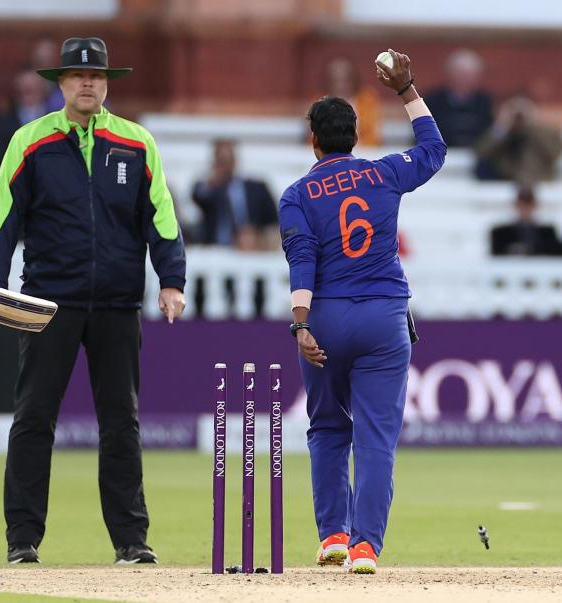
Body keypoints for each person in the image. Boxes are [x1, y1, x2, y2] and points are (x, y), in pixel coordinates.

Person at [0, 37, 186, 565]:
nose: (87, 83)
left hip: (117, 304)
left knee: (122, 423)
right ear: (61, 83)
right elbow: (1, 223)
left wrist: (172, 279)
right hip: (48, 303)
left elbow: (160, 216)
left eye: (95, 76)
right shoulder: (30, 141)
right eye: (76, 76)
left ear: (107, 82)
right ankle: (22, 540)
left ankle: (131, 542)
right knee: (33, 419)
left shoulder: (137, 142)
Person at [278, 49, 446, 574]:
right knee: (376, 437)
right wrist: (406, 89)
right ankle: (364, 547)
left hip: (325, 318)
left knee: (327, 427)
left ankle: (331, 534)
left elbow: (301, 260)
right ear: (356, 136)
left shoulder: (297, 194)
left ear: (313, 139)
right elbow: (435, 150)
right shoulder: (384, 174)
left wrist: (301, 324)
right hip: (382, 319)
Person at [191, 138, 278, 250]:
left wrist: (256, 234)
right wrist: (213, 181)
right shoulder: (209, 189)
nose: (225, 165)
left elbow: (273, 222)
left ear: (235, 159)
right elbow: (197, 196)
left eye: (228, 159)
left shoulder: (258, 188)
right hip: (215, 251)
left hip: (251, 250)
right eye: (221, 160)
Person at [474, 95, 562, 184]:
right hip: (506, 182)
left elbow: (556, 152)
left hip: (540, 181)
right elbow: (481, 152)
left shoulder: (546, 132)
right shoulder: (501, 132)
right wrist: (503, 127)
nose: (519, 118)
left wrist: (533, 126)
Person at [425, 49, 493, 147]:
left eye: (470, 75)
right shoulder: (433, 100)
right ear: (450, 74)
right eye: (461, 74)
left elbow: (488, 131)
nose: (465, 79)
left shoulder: (484, 102)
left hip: (477, 154)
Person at [0, 69, 51, 171]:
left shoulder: (58, 120)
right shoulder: (2, 121)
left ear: (43, 89)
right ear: (16, 90)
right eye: (24, 87)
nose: (29, 90)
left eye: (33, 86)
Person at [322, 57, 382, 147]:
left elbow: (373, 133)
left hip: (362, 152)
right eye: (336, 81)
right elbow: (314, 137)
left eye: (345, 80)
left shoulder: (367, 101)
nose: (341, 85)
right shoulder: (321, 103)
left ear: (353, 79)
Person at [490, 186, 562, 256]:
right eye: (522, 204)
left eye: (528, 204)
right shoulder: (501, 234)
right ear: (516, 206)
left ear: (535, 205)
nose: (525, 208)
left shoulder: (547, 233)